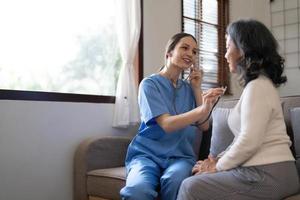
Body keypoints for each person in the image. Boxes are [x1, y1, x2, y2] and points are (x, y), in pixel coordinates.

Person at [177, 19, 300, 200]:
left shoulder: (258, 86)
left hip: (269, 174)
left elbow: (249, 141)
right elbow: (242, 139)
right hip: (264, 171)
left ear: (243, 50)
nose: (225, 55)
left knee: (190, 187)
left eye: (228, 47)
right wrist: (218, 159)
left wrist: (216, 167)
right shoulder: (256, 86)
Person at [119, 33, 225, 200]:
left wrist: (196, 88)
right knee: (138, 191)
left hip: (180, 157)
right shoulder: (149, 85)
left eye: (194, 51)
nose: (190, 54)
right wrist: (203, 107)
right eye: (184, 47)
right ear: (168, 53)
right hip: (147, 155)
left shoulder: (189, 88)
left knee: (175, 182)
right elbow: (166, 124)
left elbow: (203, 126)